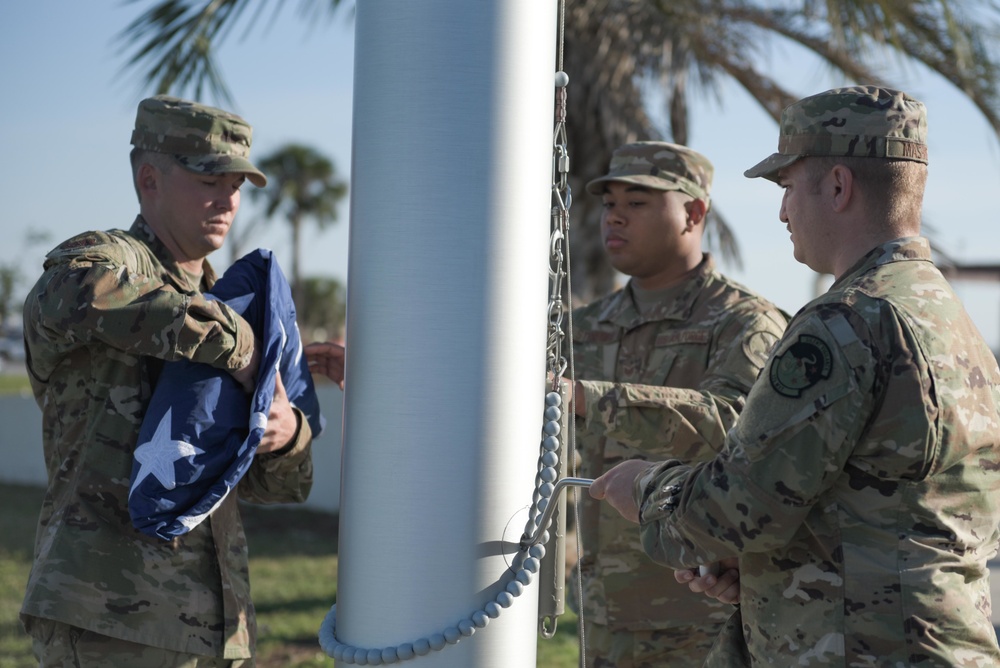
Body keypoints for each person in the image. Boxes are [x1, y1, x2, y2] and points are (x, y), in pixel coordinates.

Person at [590, 86, 1000, 666]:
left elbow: (739, 506)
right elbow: (913, 511)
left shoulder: (846, 322)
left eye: (786, 188)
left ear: (837, 186)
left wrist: (648, 488)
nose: (782, 212)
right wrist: (768, 568)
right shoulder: (946, 315)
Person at [19, 95, 344, 666]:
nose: (229, 199)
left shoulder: (234, 298)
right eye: (210, 178)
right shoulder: (110, 258)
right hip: (107, 616)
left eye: (239, 184)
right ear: (150, 178)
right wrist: (241, 347)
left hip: (214, 627)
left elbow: (279, 489)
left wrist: (286, 430)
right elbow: (67, 296)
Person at [567, 141, 787, 667]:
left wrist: (586, 399)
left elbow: (734, 422)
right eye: (609, 202)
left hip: (705, 618)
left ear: (692, 213)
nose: (615, 216)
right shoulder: (582, 328)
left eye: (638, 202)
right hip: (602, 613)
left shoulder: (744, 323)